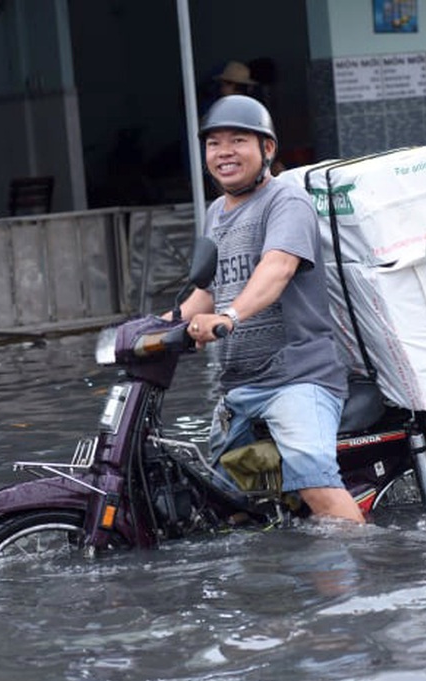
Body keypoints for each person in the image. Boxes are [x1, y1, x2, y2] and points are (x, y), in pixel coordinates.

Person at [175, 95, 365, 524]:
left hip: (297, 378)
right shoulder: (215, 213)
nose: (223, 152)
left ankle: (362, 578)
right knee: (220, 499)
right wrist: (159, 327)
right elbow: (209, 291)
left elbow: (276, 268)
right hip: (239, 386)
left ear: (267, 149)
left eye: (238, 140)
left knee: (314, 483)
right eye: (213, 144)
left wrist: (230, 318)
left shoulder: (287, 202)